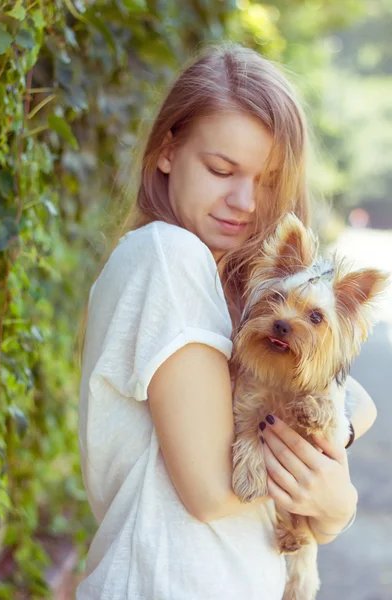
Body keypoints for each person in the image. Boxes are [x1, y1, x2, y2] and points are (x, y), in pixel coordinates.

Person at [75, 42, 377, 600]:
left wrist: (334, 509)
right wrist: (335, 482)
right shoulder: (168, 255)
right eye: (221, 169)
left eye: (266, 181)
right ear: (166, 150)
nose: (244, 200)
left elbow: (354, 399)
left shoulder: (234, 292)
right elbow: (216, 492)